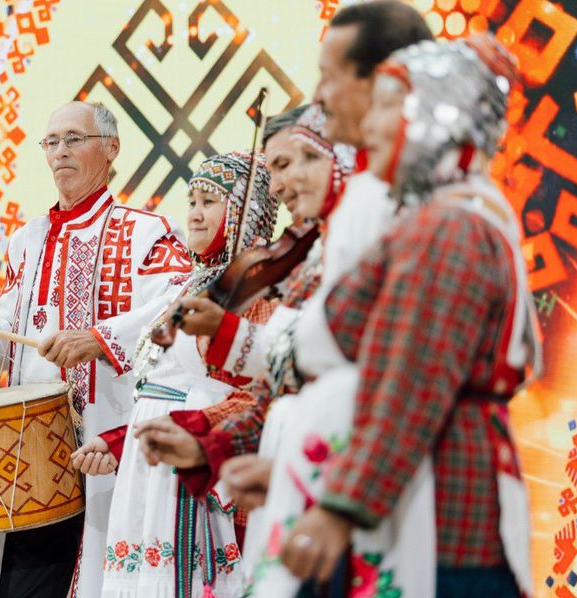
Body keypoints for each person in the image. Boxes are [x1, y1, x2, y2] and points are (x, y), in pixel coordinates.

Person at [134, 0, 433, 513]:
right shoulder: (317, 253)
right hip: (312, 480)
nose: (280, 186)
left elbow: (400, 386)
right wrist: (206, 446)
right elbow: (283, 384)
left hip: (378, 497)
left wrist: (335, 508)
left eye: (303, 160)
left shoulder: (418, 220)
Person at [276, 35, 540, 598]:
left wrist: (340, 508)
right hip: (428, 493)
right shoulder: (455, 214)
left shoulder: (449, 229)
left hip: (443, 512)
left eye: (391, 105)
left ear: (437, 118)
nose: (370, 124)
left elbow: (411, 382)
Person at [0, 101, 193, 598]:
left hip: (107, 447)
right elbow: (7, 324)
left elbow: (182, 300)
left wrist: (100, 338)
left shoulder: (146, 231)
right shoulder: (27, 241)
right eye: (51, 142)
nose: (60, 151)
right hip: (28, 455)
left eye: (73, 139)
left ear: (111, 149)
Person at [73, 151, 278, 598]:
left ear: (249, 210)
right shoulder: (193, 284)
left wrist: (192, 433)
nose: (196, 214)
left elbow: (257, 394)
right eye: (192, 201)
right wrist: (119, 441)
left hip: (201, 473)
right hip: (150, 478)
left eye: (210, 201)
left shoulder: (255, 289)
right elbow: (165, 395)